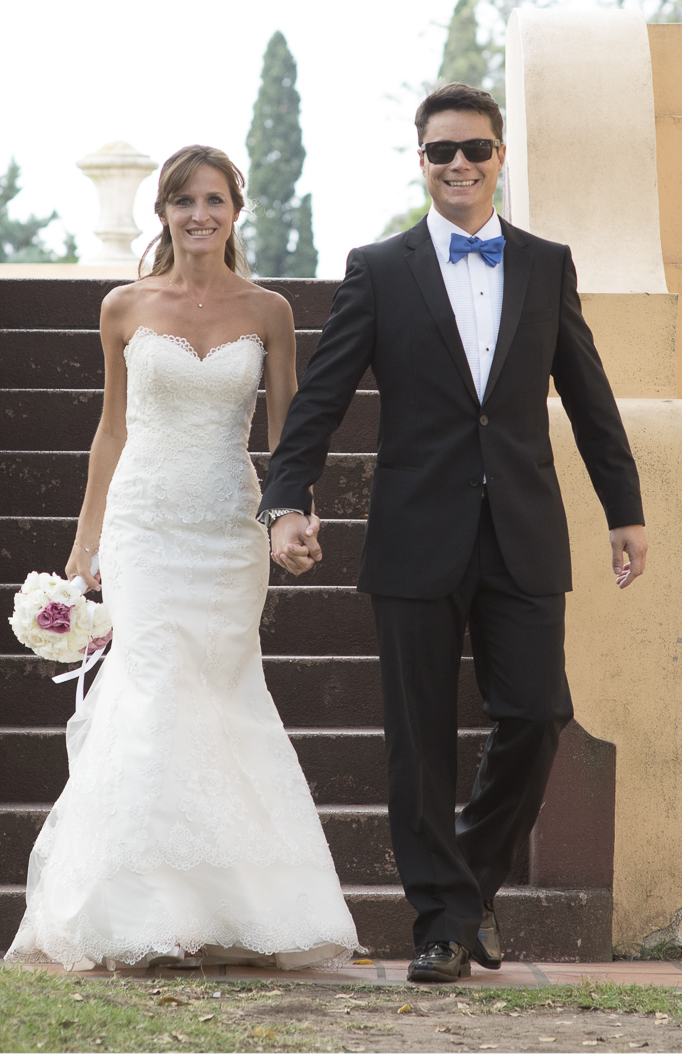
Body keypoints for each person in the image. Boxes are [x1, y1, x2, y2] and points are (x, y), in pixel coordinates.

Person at [261, 83, 649, 984]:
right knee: (419, 737)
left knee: (539, 711)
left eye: (475, 148)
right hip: (416, 532)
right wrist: (287, 496)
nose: (459, 164)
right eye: (442, 152)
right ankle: (441, 922)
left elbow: (588, 397)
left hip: (522, 528)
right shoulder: (380, 268)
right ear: (422, 162)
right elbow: (319, 400)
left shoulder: (548, 265)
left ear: (501, 157)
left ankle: (465, 887)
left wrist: (623, 509)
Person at [6, 145, 358, 971]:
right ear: (161, 212)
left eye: (213, 199)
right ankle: (141, 911)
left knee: (223, 695)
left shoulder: (269, 310)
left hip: (229, 528)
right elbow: (112, 427)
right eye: (182, 201)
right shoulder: (123, 307)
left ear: (236, 210)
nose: (198, 214)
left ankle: (234, 909)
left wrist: (295, 515)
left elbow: (288, 433)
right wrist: (84, 544)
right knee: (154, 685)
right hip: (145, 525)